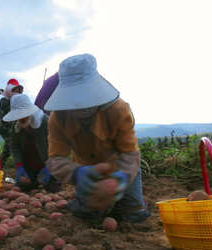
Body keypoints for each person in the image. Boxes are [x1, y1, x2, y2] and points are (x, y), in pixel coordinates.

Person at [44, 54, 150, 223]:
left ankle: (136, 201)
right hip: (86, 171)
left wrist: (120, 179)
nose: (81, 106)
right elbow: (56, 159)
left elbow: (130, 154)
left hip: (121, 167)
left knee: (133, 215)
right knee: (86, 215)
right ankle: (82, 202)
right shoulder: (58, 118)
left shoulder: (118, 110)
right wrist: (77, 174)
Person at [3, 94, 60, 193]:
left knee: (53, 188)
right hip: (29, 164)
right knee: (24, 187)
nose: (21, 119)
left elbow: (58, 146)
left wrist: (50, 165)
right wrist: (19, 165)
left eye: (23, 115)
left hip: (47, 162)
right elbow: (14, 145)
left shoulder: (46, 123)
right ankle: (32, 178)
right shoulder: (16, 126)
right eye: (18, 116)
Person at [0, 79, 24, 168]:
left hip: (12, 128)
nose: (17, 92)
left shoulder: (15, 100)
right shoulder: (4, 101)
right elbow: (7, 106)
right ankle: (20, 166)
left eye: (18, 90)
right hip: (5, 129)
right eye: (15, 90)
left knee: (7, 149)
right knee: (13, 146)